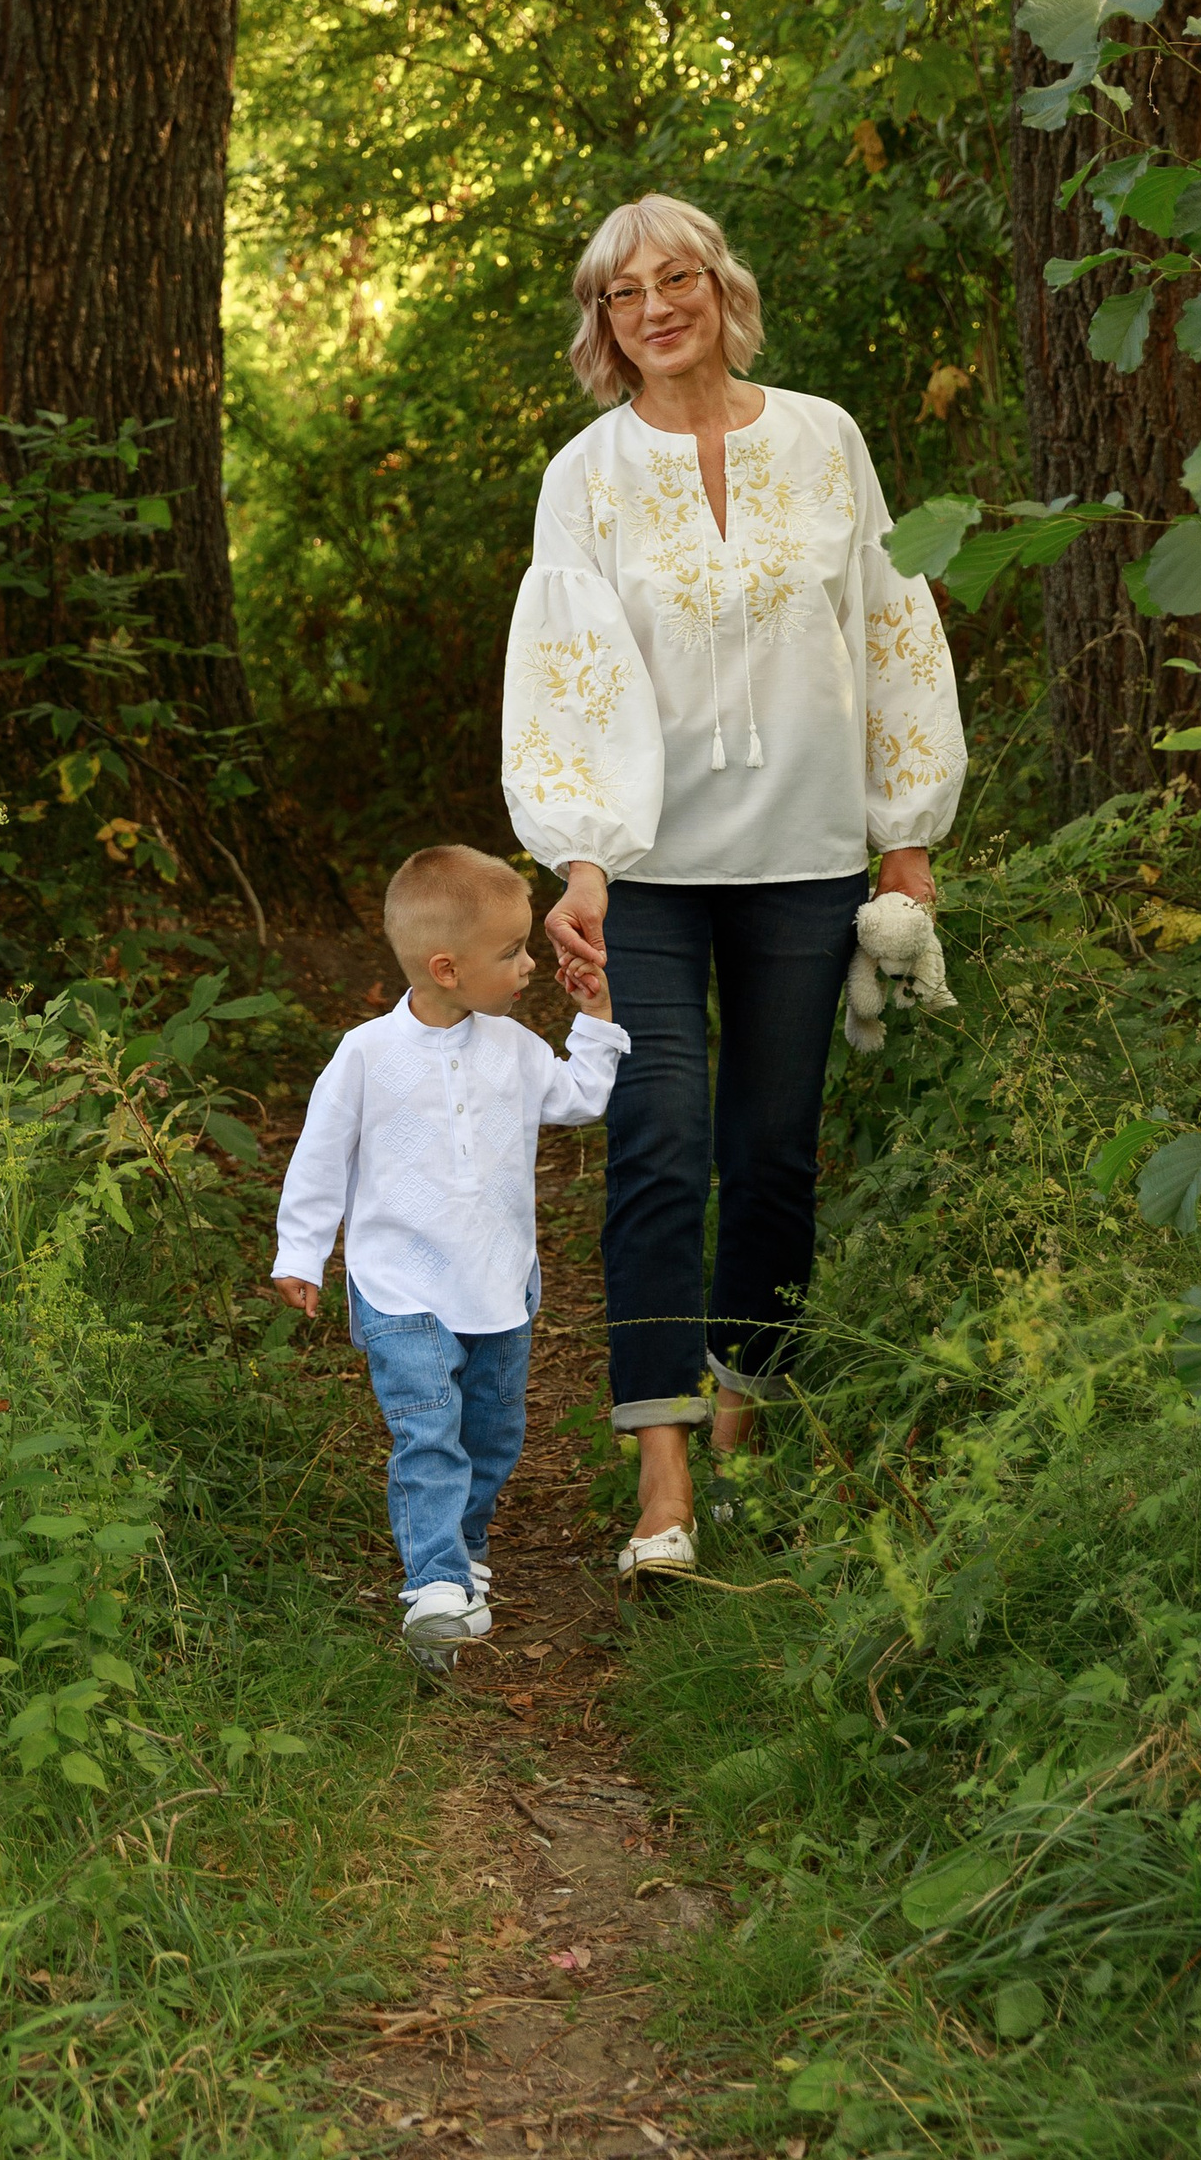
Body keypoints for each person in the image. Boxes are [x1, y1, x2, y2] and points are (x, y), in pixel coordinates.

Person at [500, 194, 963, 1584]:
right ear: (603, 324)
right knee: (655, 1143)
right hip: (644, 870)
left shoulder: (824, 440)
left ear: (722, 289)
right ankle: (663, 1473)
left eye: (679, 276)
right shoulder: (584, 478)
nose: (657, 304)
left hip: (808, 857)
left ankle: (748, 1395)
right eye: (625, 289)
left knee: (771, 1152)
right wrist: (578, 856)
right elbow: (568, 677)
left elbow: (890, 624)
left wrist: (908, 832)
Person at [271, 843, 627, 1664]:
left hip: (499, 1278)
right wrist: (302, 1251)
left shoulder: (513, 1047)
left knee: (493, 1431)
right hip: (400, 1282)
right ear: (447, 966)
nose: (531, 964)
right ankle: (432, 1583)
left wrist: (596, 1014)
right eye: (511, 952)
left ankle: (463, 1549)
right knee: (429, 1427)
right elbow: (320, 1157)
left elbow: (583, 1096)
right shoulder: (367, 1054)